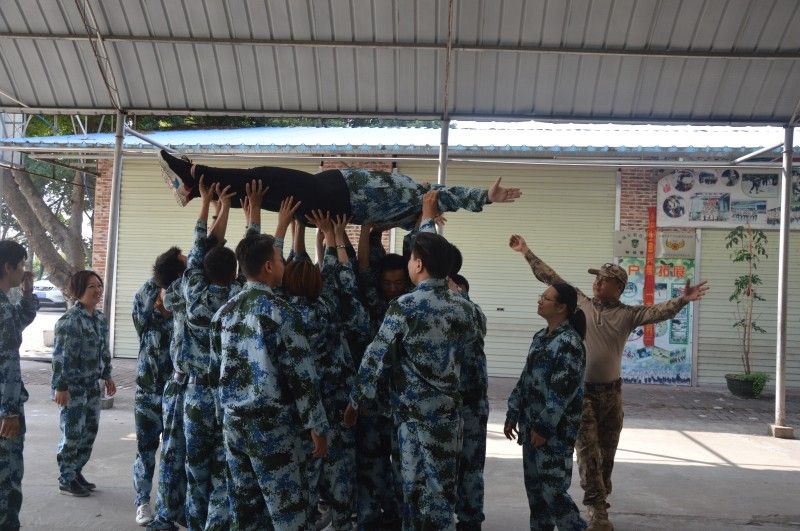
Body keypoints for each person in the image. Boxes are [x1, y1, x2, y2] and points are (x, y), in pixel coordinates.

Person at [509, 234, 709, 531]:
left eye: (604, 280)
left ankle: (600, 503)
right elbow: (551, 277)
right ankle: (598, 512)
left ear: (618, 287)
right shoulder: (580, 303)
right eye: (597, 279)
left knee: (606, 454)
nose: (597, 283)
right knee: (588, 453)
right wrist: (526, 251)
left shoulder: (628, 315)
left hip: (612, 395)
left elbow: (658, 311)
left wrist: (682, 300)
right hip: (582, 394)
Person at [345, 232, 479, 531]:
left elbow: (375, 356)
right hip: (447, 416)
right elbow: (476, 335)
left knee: (413, 492)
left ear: (418, 265)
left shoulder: (405, 306)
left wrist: (356, 400)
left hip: (412, 418)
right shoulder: (465, 307)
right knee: (442, 493)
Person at [211, 215, 330, 530]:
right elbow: (302, 376)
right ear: (268, 267)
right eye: (279, 260)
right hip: (271, 427)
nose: (283, 265)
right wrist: (317, 426)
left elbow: (215, 374)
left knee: (246, 513)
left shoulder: (223, 313)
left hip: (233, 424)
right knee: (289, 513)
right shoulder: (281, 312)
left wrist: (221, 418)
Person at [158, 150, 521, 230]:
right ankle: (195, 189)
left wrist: (485, 197)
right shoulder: (416, 191)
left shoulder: (418, 205)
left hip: (335, 198)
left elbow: (450, 196)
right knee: (265, 194)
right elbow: (439, 192)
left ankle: (195, 174)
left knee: (265, 178)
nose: (435, 193)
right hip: (332, 188)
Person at [283, 212, 370, 531]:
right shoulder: (328, 307)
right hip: (336, 406)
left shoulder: (282, 314)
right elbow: (343, 281)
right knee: (341, 478)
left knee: (303, 482)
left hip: (300, 413)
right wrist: (333, 238)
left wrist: (294, 229)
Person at [504, 283, 588, 531]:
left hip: (554, 433)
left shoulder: (569, 343)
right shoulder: (541, 337)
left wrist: (543, 427)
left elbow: (562, 393)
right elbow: (526, 379)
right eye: (541, 296)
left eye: (546, 298)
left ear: (562, 307)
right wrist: (513, 411)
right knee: (536, 494)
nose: (540, 301)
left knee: (554, 493)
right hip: (531, 428)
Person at [52, 270, 116, 497]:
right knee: (72, 434)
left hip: (92, 386)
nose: (97, 290)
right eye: (91, 287)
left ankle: (76, 471)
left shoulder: (99, 319)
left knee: (89, 433)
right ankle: (66, 479)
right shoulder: (69, 321)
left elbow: (103, 350)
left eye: (99, 285)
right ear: (79, 290)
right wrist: (60, 386)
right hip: (73, 388)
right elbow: (61, 357)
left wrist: (107, 375)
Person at [132, 255, 179, 525]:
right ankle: (142, 501)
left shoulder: (183, 301)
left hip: (175, 392)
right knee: (146, 449)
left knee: (173, 453)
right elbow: (141, 315)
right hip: (148, 391)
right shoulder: (146, 302)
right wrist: (158, 284)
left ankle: (167, 507)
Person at [147, 246, 190, 531]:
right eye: (187, 262)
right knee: (174, 453)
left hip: (181, 385)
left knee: (181, 453)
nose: (193, 262)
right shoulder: (179, 291)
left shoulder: (179, 292)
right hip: (181, 386)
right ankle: (165, 516)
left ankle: (177, 510)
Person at [0, 241, 37, 530]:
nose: (24, 270)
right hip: (4, 407)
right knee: (7, 477)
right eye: (21, 264)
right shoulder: (2, 310)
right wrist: (10, 411)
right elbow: (8, 363)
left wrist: (27, 294)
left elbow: (19, 320)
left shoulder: (5, 307)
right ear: (8, 267)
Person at [450, 273, 489, 531]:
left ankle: (470, 519)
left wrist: (458, 293)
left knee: (471, 466)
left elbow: (477, 324)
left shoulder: (473, 314)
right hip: (445, 405)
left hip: (472, 404)